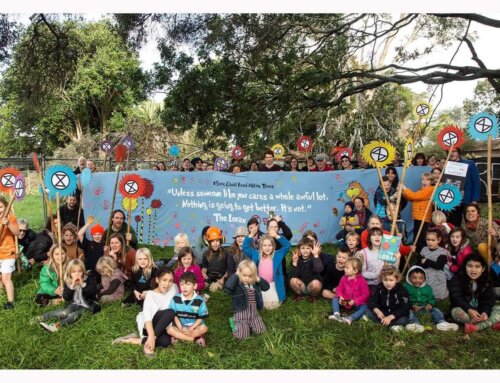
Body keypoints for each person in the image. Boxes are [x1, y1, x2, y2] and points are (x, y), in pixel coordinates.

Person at [112, 266, 178, 356]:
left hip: (164, 325)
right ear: (158, 280)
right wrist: (151, 336)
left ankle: (132, 340)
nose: (167, 284)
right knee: (170, 312)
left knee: (165, 342)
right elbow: (147, 319)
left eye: (170, 281)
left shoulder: (174, 288)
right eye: (164, 280)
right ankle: (149, 339)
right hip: (148, 325)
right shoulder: (150, 296)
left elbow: (180, 302)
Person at [36, 259, 100, 333]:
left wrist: (82, 285)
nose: (77, 274)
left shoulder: (88, 279)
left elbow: (92, 293)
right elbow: (66, 297)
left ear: (83, 271)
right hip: (75, 304)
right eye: (74, 272)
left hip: (88, 305)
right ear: (70, 273)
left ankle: (56, 326)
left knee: (75, 315)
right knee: (65, 312)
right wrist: (72, 287)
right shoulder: (69, 281)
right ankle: (42, 317)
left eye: (79, 271)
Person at [243, 224, 291, 309]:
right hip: (260, 285)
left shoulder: (277, 254)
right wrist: (251, 235)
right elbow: (245, 247)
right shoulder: (256, 254)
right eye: (264, 245)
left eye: (270, 245)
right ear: (260, 247)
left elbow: (287, 245)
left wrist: (276, 235)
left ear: (273, 246)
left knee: (274, 304)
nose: (267, 248)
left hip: (273, 285)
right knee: (259, 304)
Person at [449, 253, 500, 333]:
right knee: (456, 312)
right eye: (470, 266)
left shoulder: (486, 281)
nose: (473, 270)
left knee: (498, 309)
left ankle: (475, 327)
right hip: (465, 310)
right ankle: (490, 323)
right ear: (465, 267)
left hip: (479, 312)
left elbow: (487, 300)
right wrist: (469, 309)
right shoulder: (457, 279)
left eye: (477, 266)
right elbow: (456, 298)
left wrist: (485, 312)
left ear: (483, 269)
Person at [224, 259, 269, 340]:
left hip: (253, 314)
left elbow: (266, 287)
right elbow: (227, 288)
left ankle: (250, 325)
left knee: (261, 331)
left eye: (250, 276)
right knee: (242, 336)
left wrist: (257, 278)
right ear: (239, 273)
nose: (247, 278)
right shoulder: (237, 284)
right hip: (241, 315)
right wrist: (236, 275)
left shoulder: (254, 284)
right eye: (244, 275)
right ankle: (234, 322)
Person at [404, 266, 458, 332]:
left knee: (436, 310)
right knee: (408, 312)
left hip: (424, 307)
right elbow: (404, 299)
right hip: (412, 307)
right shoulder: (406, 287)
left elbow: (431, 298)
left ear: (425, 279)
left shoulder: (427, 288)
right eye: (414, 278)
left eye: (421, 278)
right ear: (409, 278)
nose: (417, 280)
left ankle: (441, 322)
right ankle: (414, 324)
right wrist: (412, 306)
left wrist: (430, 304)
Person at [167, 271, 209, 347]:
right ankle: (195, 339)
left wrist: (191, 329)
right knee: (169, 329)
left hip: (194, 328)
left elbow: (200, 318)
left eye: (188, 284)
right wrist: (180, 328)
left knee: (204, 328)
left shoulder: (200, 300)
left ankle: (180, 337)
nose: (184, 287)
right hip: (180, 327)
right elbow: (174, 316)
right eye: (182, 284)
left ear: (195, 286)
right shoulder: (175, 299)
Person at [365, 266, 410, 332]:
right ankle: (391, 325)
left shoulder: (402, 290)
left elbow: (404, 307)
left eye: (391, 280)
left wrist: (391, 317)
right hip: (383, 313)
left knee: (404, 318)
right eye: (385, 280)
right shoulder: (379, 287)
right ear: (381, 279)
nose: (388, 283)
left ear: (397, 280)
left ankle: (387, 323)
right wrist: (377, 311)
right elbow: (372, 301)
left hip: (395, 315)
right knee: (367, 310)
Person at [328, 257, 369, 325]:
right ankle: (336, 314)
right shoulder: (344, 278)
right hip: (344, 302)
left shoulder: (362, 281)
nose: (345, 269)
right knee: (335, 298)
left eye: (347, 268)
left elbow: (366, 294)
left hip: (356, 303)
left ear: (355, 271)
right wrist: (341, 297)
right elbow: (339, 289)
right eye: (345, 267)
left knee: (365, 306)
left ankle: (350, 318)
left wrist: (355, 301)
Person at [360, 227, 401, 295]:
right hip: (371, 285)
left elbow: (394, 269)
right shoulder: (363, 253)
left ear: (383, 238)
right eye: (374, 235)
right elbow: (362, 273)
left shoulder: (388, 250)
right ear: (369, 238)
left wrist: (398, 259)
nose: (377, 237)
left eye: (379, 235)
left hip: (386, 284)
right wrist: (377, 274)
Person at [447, 148, 481, 227]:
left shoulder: (469, 163)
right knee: (454, 224)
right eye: (449, 152)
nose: (452, 153)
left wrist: (475, 199)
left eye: (454, 151)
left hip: (468, 199)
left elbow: (476, 182)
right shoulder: (447, 165)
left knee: (472, 223)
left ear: (458, 152)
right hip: (453, 200)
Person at [402, 172, 435, 251]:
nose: (424, 181)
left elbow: (414, 196)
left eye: (427, 180)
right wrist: (403, 192)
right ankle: (418, 253)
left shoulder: (430, 189)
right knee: (417, 237)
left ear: (431, 182)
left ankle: (422, 254)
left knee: (420, 239)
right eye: (423, 180)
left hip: (423, 217)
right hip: (419, 216)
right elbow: (412, 198)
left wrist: (404, 188)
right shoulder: (422, 190)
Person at [417, 229, 449, 300]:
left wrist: (426, 261)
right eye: (428, 240)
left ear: (439, 240)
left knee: (436, 292)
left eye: (433, 240)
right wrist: (422, 263)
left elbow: (438, 266)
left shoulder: (442, 252)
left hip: (437, 275)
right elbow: (419, 262)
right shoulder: (424, 249)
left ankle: (436, 296)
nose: (430, 242)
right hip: (425, 273)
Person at [289, 238, 324, 302]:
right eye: (302, 248)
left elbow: (319, 269)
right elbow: (293, 275)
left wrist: (316, 255)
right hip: (301, 285)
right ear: (299, 249)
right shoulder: (297, 259)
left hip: (312, 285)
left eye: (308, 248)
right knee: (293, 280)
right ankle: (299, 294)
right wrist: (294, 263)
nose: (305, 250)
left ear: (312, 249)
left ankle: (313, 296)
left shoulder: (315, 258)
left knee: (316, 284)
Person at [0, 195, 19, 309]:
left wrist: (8, 224)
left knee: (6, 277)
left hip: (8, 252)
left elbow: (16, 232)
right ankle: (1, 294)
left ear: (6, 206)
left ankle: (10, 302)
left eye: (1, 207)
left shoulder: (10, 217)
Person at [201, 226, 228, 292]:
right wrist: (203, 273)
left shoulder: (226, 252)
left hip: (221, 277)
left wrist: (223, 278)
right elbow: (204, 268)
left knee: (213, 289)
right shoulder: (206, 253)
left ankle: (215, 286)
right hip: (209, 277)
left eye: (217, 241)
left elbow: (229, 269)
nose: (215, 243)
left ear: (221, 240)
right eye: (212, 241)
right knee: (201, 286)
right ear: (208, 242)